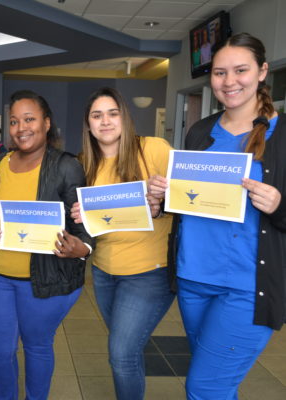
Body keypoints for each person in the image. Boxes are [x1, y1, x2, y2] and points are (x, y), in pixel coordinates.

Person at [148, 33, 285, 399]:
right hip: (194, 278)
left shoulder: (283, 136)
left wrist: (279, 204)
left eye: (241, 70)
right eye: (220, 73)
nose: (229, 81)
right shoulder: (200, 131)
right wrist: (162, 198)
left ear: (262, 72)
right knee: (218, 385)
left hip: (246, 287)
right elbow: (192, 202)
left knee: (204, 387)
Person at [0, 89, 94, 400]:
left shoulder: (66, 166)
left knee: (36, 345)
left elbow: (84, 226)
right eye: (15, 121)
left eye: (29, 119)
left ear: (46, 123)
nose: (22, 128)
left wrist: (80, 247)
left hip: (44, 279)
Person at [69, 87, 174, 400]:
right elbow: (90, 224)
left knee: (121, 353)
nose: (105, 122)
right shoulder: (83, 164)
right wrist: (79, 216)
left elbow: (189, 196)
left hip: (149, 272)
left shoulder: (154, 149)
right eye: (97, 115)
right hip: (103, 272)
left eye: (113, 113)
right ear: (88, 125)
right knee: (126, 349)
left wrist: (163, 200)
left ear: (124, 118)